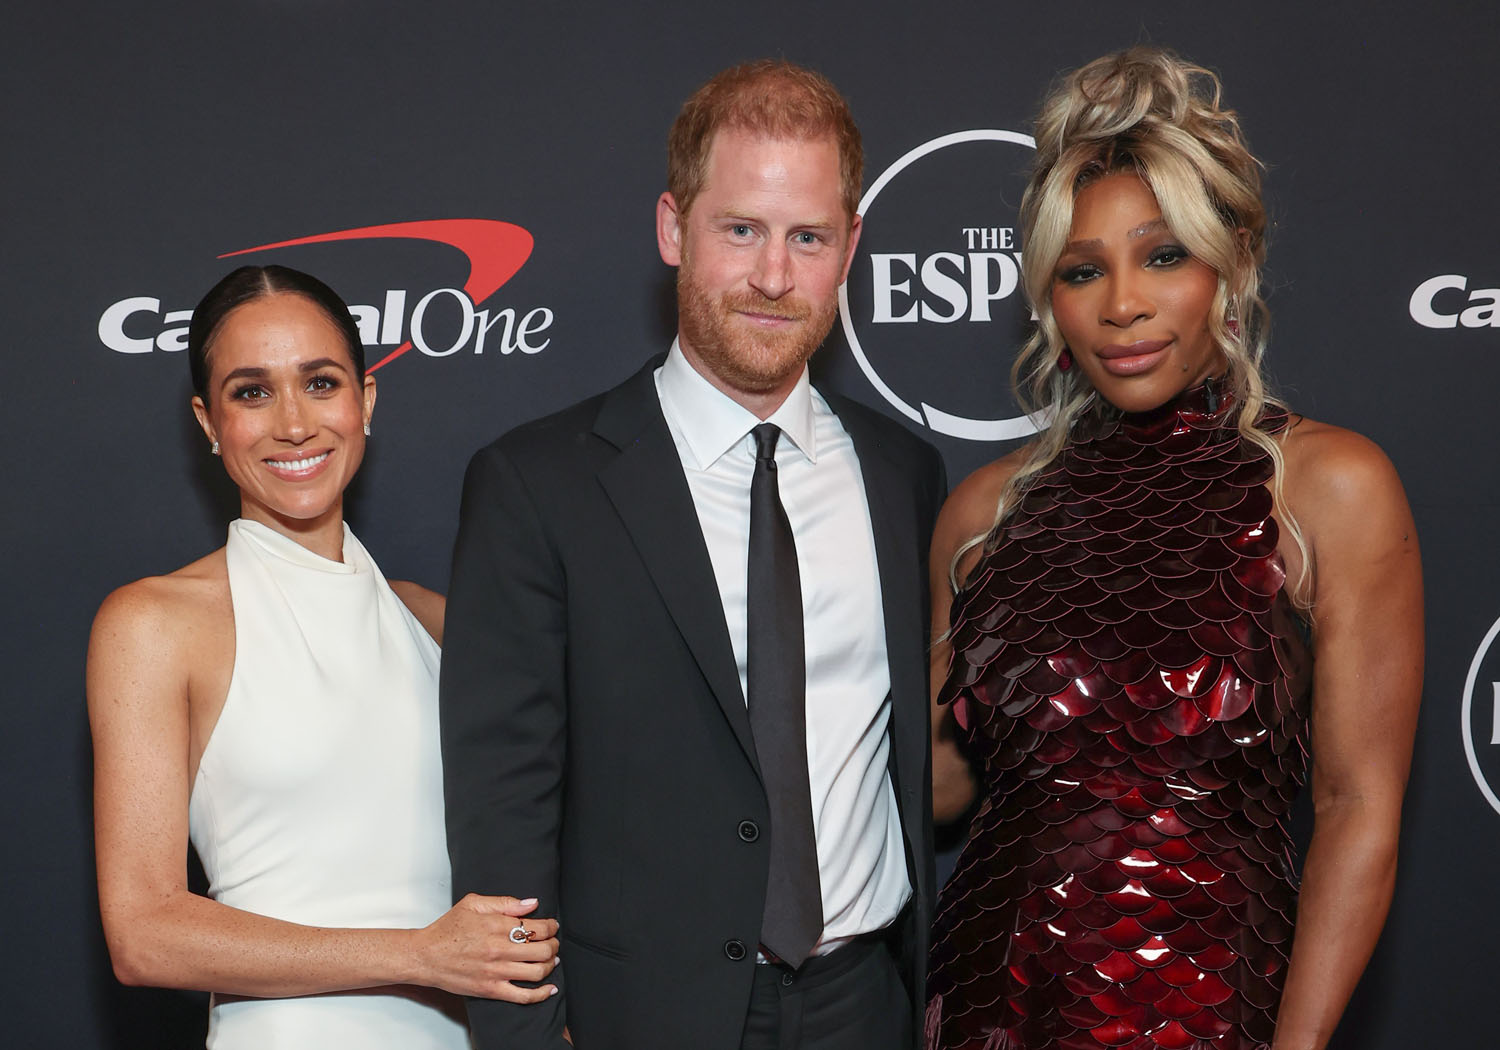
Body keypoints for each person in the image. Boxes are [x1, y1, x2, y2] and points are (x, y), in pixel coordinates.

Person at [440, 60, 946, 1050]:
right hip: (645, 1017)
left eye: (808, 238)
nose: (772, 276)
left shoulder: (903, 476)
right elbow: (505, 810)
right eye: (741, 230)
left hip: (868, 1007)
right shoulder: (538, 485)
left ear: (850, 249)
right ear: (675, 228)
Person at [925, 48, 1422, 1050]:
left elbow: (1356, 804)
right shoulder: (984, 510)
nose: (1122, 305)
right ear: (1048, 300)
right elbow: (936, 789)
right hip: (989, 997)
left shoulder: (1327, 485)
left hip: (1214, 1008)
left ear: (1230, 260)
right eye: (1082, 271)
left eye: (1161, 256)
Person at [87, 264, 560, 1048]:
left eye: (321, 382)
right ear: (208, 422)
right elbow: (144, 933)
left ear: (366, 400)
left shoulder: (441, 623)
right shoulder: (153, 625)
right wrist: (421, 955)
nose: (294, 423)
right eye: (251, 392)